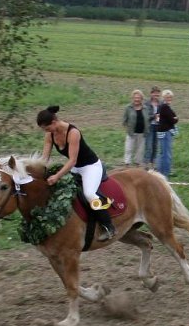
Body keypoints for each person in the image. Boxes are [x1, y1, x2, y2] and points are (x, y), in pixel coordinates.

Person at [37, 105, 115, 241]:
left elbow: (72, 160)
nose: (46, 131)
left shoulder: (73, 133)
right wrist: (38, 172)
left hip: (90, 167)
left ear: (54, 122)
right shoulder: (50, 134)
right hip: (76, 168)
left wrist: (57, 176)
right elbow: (44, 159)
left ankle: (108, 226)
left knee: (89, 194)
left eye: (47, 128)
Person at [122, 89, 148, 167]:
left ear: (141, 99)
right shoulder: (128, 107)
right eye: (135, 97)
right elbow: (124, 120)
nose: (137, 99)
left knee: (140, 150)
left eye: (138, 98)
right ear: (132, 98)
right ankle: (127, 165)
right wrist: (127, 129)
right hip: (131, 132)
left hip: (142, 133)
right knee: (128, 149)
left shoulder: (145, 108)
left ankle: (137, 165)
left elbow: (147, 119)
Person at [156, 90, 178, 179]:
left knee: (162, 153)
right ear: (163, 98)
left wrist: (173, 117)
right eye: (167, 97)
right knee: (166, 154)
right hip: (165, 132)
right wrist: (175, 119)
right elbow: (173, 119)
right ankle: (165, 173)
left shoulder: (161, 106)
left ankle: (160, 172)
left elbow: (158, 118)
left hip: (161, 132)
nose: (169, 99)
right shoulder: (165, 107)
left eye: (170, 97)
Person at [144, 86, 161, 170]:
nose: (156, 95)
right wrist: (154, 116)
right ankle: (146, 164)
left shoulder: (161, 103)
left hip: (158, 126)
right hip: (149, 126)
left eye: (158, 94)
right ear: (151, 94)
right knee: (149, 146)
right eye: (155, 94)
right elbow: (146, 116)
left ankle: (153, 163)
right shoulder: (147, 104)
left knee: (155, 146)